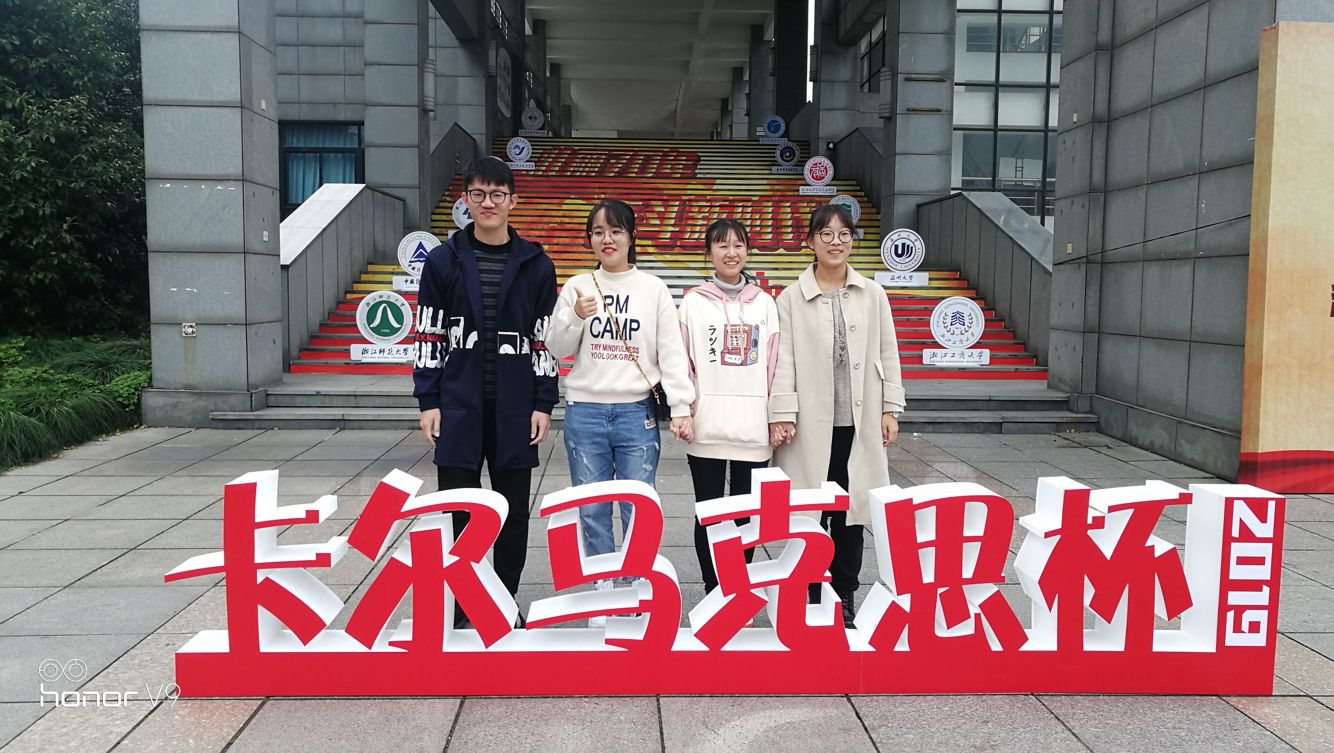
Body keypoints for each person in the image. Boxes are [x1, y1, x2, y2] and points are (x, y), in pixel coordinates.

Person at [412, 157, 559, 627]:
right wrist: (429, 400)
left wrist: (543, 401)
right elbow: (429, 333)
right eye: (479, 194)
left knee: (512, 513)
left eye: (497, 194)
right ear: (466, 201)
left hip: (515, 407)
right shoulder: (443, 261)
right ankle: (465, 605)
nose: (488, 203)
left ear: (513, 200)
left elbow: (544, 338)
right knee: (460, 509)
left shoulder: (536, 264)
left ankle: (502, 601)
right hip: (458, 405)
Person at [547, 198, 695, 626]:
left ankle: (634, 585)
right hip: (585, 411)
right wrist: (575, 316)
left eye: (615, 231)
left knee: (638, 505)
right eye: (598, 232)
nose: (606, 239)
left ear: (631, 236)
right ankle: (604, 588)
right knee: (592, 506)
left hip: (635, 412)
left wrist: (681, 405)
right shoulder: (578, 285)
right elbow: (556, 347)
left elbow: (671, 353)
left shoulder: (652, 289)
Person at [768, 204, 906, 625]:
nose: (835, 242)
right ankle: (811, 588)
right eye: (825, 234)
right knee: (809, 511)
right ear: (810, 242)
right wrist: (783, 412)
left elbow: (888, 351)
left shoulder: (872, 293)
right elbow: (784, 360)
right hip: (810, 428)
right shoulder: (790, 298)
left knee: (851, 513)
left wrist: (890, 408)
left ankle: (845, 594)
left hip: (857, 425)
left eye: (844, 234)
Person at [678, 218, 779, 595]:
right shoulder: (692, 303)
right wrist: (684, 409)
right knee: (708, 511)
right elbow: (682, 363)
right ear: (709, 253)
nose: (731, 252)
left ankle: (737, 591)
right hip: (707, 427)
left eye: (738, 245)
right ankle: (712, 590)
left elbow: (775, 365)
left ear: (748, 251)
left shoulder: (765, 303)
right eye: (722, 245)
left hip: (753, 429)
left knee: (746, 514)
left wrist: (777, 416)